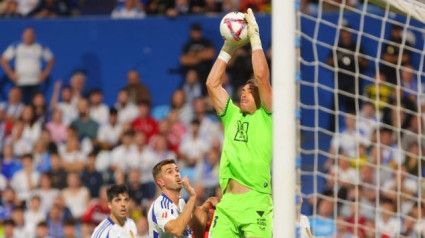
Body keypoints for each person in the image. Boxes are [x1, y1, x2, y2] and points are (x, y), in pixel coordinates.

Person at [205, 8, 272, 238]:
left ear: (261, 97)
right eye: (242, 90)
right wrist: (228, 48)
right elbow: (213, 85)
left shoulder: (268, 116)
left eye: (250, 91)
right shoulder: (232, 115)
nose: (244, 93)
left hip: (256, 202)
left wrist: (254, 38)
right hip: (228, 203)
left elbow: (262, 77)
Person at [147, 159, 218, 238]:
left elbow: (194, 218)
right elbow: (177, 230)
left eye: (177, 170)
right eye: (170, 172)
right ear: (161, 182)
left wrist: (207, 205)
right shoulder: (160, 205)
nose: (177, 174)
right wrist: (192, 197)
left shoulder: (181, 201)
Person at [0, 27, 55, 104]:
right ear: (23, 36)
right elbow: (3, 60)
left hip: (35, 81)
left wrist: (45, 74)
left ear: (34, 36)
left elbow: (51, 60)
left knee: (35, 104)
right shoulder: (16, 46)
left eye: (31, 35)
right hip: (20, 81)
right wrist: (11, 74)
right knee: (20, 104)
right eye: (27, 35)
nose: (29, 37)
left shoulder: (40, 47)